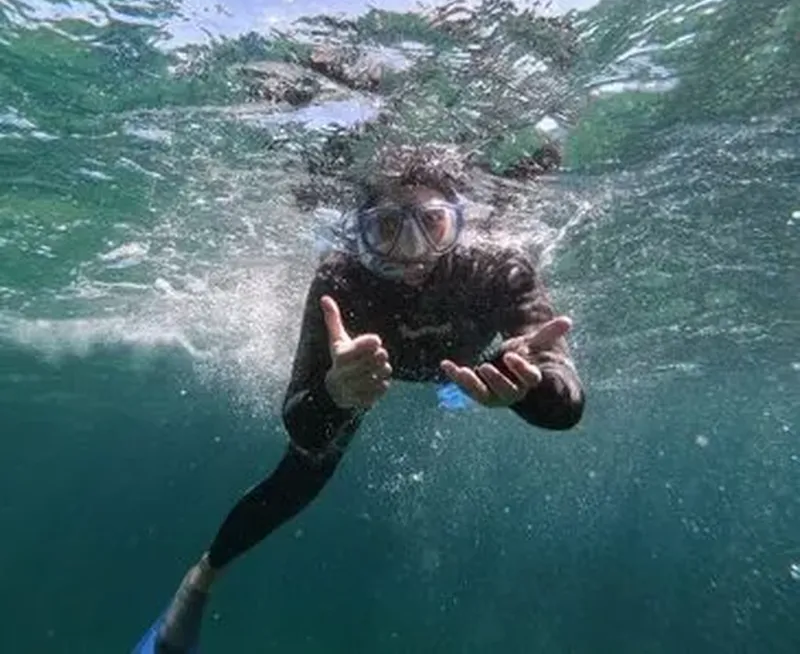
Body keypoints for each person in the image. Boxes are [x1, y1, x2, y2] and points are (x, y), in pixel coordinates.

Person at [137, 145, 584, 654]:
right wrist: (334, 392)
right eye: (388, 227)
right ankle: (201, 578)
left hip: (459, 369)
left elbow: (567, 402)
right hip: (366, 373)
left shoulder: (500, 267)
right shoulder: (341, 281)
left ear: (460, 222)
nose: (412, 250)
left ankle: (453, 387)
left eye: (432, 223)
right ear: (361, 233)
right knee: (305, 471)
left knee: (453, 382)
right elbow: (301, 424)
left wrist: (531, 388)